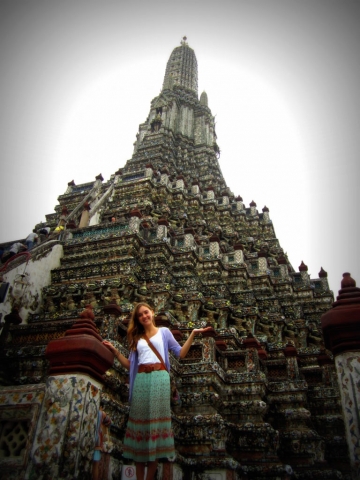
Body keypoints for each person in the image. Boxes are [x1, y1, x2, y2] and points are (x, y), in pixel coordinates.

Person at [103, 302, 211, 480]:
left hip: (160, 378)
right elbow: (131, 364)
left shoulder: (164, 333)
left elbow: (180, 353)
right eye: (140, 315)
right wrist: (115, 351)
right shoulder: (136, 338)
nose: (144, 316)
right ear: (138, 319)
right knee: (140, 429)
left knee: (155, 428)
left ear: (152, 313)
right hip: (142, 380)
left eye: (146, 312)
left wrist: (193, 334)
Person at [92, 402, 112, 480]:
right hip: (97, 442)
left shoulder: (92, 410)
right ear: (100, 406)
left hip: (88, 440)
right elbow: (109, 422)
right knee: (95, 465)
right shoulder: (101, 413)